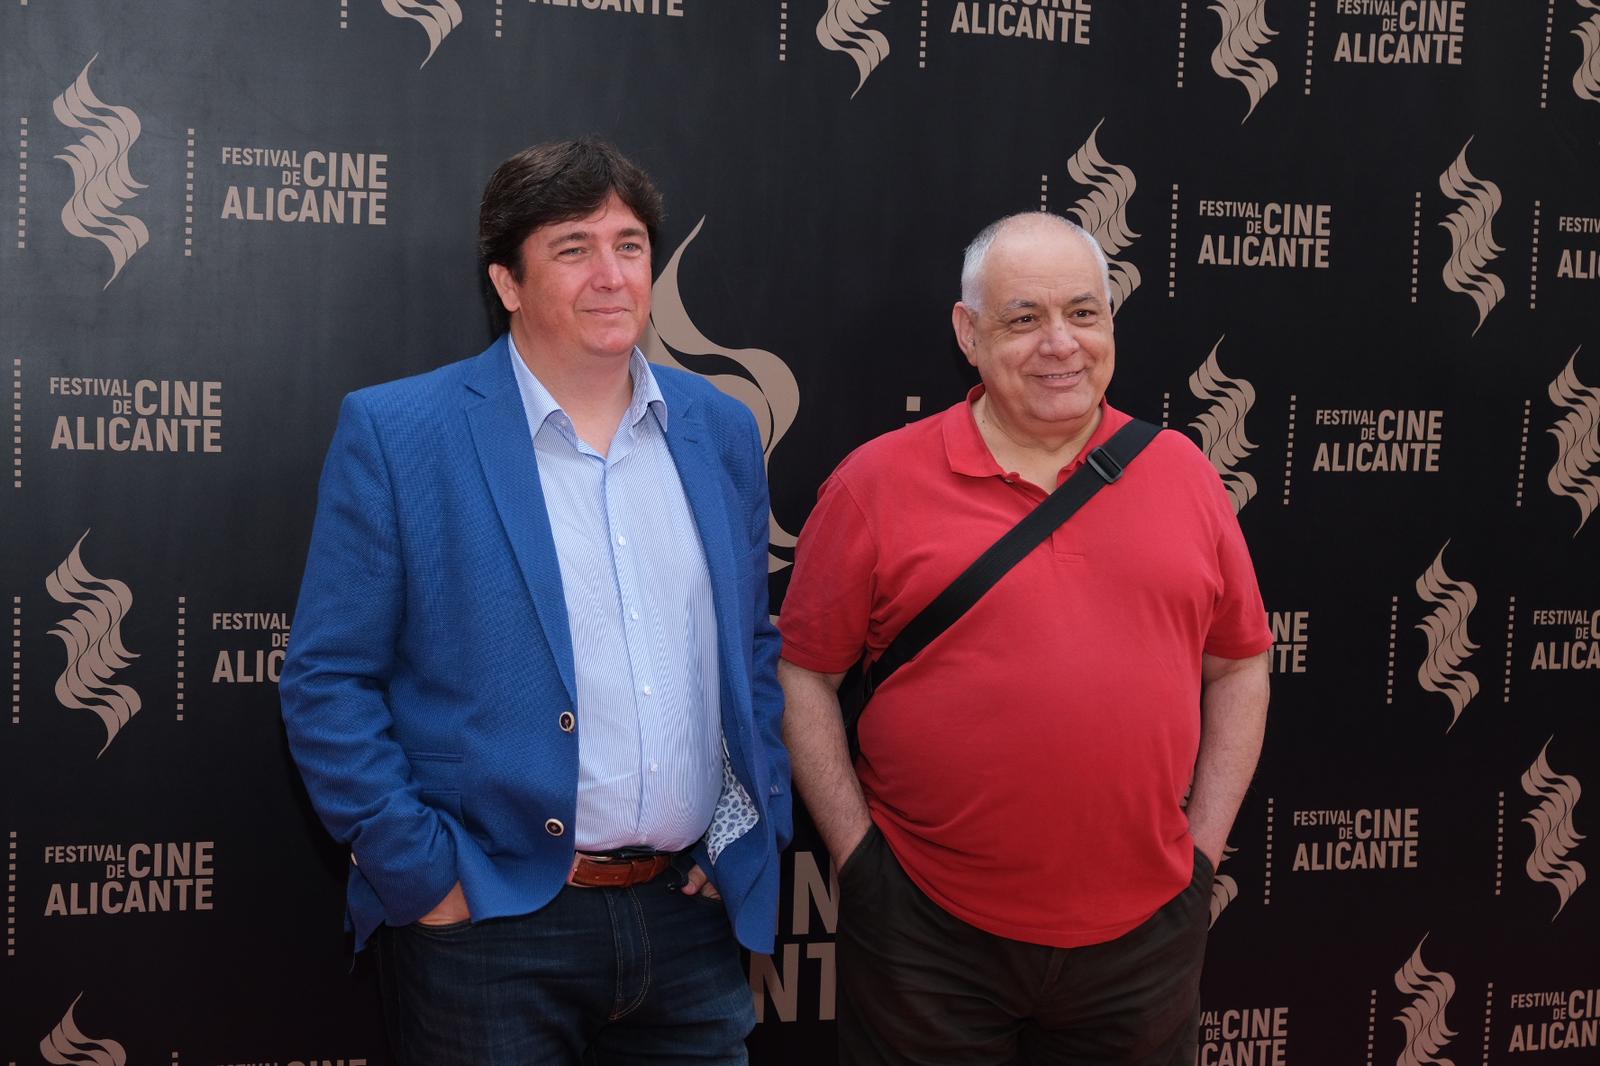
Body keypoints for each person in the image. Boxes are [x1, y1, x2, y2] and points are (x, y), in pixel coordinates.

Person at [279, 138, 789, 1066]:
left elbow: (748, 649)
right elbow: (328, 680)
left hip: (687, 922)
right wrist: (423, 875)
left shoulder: (716, 428)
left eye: (629, 245)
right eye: (573, 248)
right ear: (507, 283)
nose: (611, 275)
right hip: (491, 927)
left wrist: (744, 832)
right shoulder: (402, 434)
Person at [778, 212, 1271, 1065]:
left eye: (1084, 313)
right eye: (1024, 318)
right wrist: (859, 863)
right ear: (968, 334)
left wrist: (1201, 857)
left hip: (1145, 944)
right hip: (928, 941)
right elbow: (801, 678)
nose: (1061, 344)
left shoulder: (1185, 474)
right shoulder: (875, 484)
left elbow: (1239, 666)